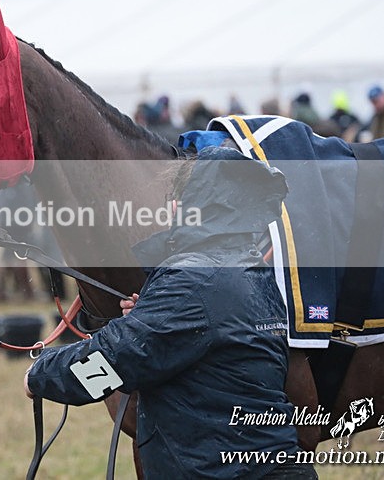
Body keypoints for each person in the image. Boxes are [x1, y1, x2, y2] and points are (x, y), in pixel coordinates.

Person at [24, 148, 315, 479]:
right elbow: (212, 345)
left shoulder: (192, 279)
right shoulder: (253, 269)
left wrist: (40, 376)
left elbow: (117, 359)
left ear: (194, 205)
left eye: (180, 198)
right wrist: (152, 315)